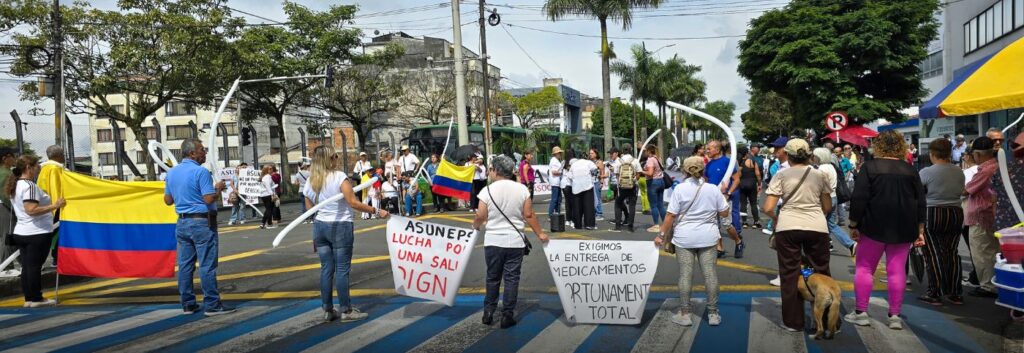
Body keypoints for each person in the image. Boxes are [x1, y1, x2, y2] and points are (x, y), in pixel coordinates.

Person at [844, 131, 926, 330]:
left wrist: (854, 225)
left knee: (864, 268)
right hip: (904, 227)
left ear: (878, 146)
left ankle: (861, 312)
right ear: (900, 147)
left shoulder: (870, 167)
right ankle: (895, 316)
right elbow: (921, 202)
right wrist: (920, 229)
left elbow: (859, 198)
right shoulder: (910, 169)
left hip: (873, 225)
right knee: (896, 270)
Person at [303, 145, 389, 322]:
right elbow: (353, 202)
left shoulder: (311, 180)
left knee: (326, 268)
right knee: (342, 269)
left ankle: (327, 309)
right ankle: (346, 310)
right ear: (330, 159)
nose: (337, 159)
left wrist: (320, 218)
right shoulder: (339, 177)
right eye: (335, 156)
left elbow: (309, 207)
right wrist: (376, 210)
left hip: (320, 227)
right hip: (341, 225)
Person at [762, 138, 832, 333]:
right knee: (818, 271)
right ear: (809, 155)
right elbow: (827, 206)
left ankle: (794, 322)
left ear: (789, 155)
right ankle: (825, 320)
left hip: (788, 227)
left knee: (790, 273)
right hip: (816, 227)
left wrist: (776, 218)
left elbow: (767, 207)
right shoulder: (820, 175)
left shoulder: (781, 174)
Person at [473, 155, 550, 329]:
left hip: (493, 241)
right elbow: (529, 215)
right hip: (515, 242)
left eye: (490, 169)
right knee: (511, 279)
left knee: (492, 278)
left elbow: (480, 215)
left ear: (495, 170)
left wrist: (475, 226)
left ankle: (489, 312)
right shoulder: (522, 189)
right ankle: (507, 315)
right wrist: (540, 234)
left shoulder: (487, 190)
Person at [163, 139, 234, 316]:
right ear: (192, 153)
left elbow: (168, 200)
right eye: (202, 150)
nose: (205, 153)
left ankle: (187, 303)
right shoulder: (201, 172)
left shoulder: (172, 173)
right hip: (201, 222)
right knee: (207, 265)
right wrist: (218, 189)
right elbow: (208, 199)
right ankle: (212, 304)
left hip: (182, 222)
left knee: (185, 265)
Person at [655, 156, 726, 327]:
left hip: (684, 237)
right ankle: (713, 313)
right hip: (708, 236)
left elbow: (671, 215)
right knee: (710, 274)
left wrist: (661, 234)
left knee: (685, 274)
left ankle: (685, 313)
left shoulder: (679, 189)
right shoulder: (713, 189)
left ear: (684, 170)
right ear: (703, 170)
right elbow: (724, 212)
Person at [6, 155, 64, 307]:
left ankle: (29, 298)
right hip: (36, 232)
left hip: (22, 231)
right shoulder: (29, 186)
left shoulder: (16, 185)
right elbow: (31, 209)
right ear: (28, 168)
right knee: (34, 267)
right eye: (37, 165)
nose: (39, 168)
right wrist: (55, 205)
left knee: (27, 266)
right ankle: (37, 298)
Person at [917, 138, 966, 305]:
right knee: (951, 252)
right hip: (955, 212)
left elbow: (917, 193)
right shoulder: (958, 171)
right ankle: (955, 292)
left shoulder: (927, 172)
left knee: (933, 253)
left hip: (934, 212)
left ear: (932, 154)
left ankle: (935, 292)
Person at [963, 136, 1000, 298]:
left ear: (978, 154)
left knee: (982, 252)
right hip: (991, 215)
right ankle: (994, 283)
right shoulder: (997, 166)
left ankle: (988, 286)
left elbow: (967, 190)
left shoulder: (985, 170)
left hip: (980, 216)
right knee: (992, 252)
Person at [704, 141, 745, 258]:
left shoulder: (727, 162)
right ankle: (719, 248)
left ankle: (738, 241)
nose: (707, 151)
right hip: (711, 199)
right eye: (707, 149)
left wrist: (728, 193)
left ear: (717, 150)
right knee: (714, 225)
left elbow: (737, 179)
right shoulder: (708, 164)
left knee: (726, 224)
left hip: (724, 197)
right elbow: (706, 181)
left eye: (709, 149)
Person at [812, 148, 856, 255]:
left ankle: (819, 246)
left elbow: (819, 186)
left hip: (825, 199)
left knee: (818, 223)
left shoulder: (821, 169)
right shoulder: (831, 166)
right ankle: (849, 244)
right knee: (831, 224)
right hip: (834, 197)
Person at [37, 145, 66, 267]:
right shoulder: (55, 169)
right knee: (57, 233)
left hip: (46, 205)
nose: (64, 157)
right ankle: (57, 258)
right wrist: (57, 205)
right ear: (58, 156)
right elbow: (56, 188)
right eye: (63, 154)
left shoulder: (44, 168)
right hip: (56, 205)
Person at [613, 147, 641, 232]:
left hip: (621, 187)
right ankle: (630, 226)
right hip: (632, 186)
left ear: (622, 152)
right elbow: (639, 173)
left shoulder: (619, 161)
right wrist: (634, 180)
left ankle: (618, 226)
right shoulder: (635, 160)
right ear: (631, 151)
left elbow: (617, 174)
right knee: (632, 206)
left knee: (618, 204)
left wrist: (620, 182)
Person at [570, 149, 599, 230]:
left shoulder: (574, 164)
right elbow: (595, 171)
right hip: (587, 186)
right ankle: (589, 224)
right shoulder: (589, 163)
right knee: (588, 206)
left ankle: (577, 225)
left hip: (576, 187)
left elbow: (570, 176)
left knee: (577, 207)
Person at [643, 145, 667, 232]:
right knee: (660, 204)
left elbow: (650, 173)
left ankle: (656, 225)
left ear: (649, 151)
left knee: (653, 205)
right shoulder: (658, 158)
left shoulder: (650, 160)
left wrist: (641, 171)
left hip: (653, 182)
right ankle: (665, 224)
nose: (645, 152)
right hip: (661, 181)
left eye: (646, 151)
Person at [737, 146, 762, 229]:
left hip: (742, 184)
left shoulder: (739, 162)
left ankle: (744, 222)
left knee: (743, 203)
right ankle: (756, 222)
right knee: (753, 203)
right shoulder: (752, 161)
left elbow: (738, 175)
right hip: (752, 184)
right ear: (746, 153)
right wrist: (759, 184)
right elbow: (758, 174)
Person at [589, 148, 607, 221]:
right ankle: (594, 213)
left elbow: (602, 172)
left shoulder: (599, 162)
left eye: (592, 153)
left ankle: (599, 213)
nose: (590, 155)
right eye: (590, 153)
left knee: (597, 198)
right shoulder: (589, 162)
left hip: (596, 182)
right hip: (590, 182)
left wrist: (601, 182)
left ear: (596, 154)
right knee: (592, 199)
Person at [258, 165, 278, 229]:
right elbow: (268, 187)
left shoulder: (264, 177)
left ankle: (267, 223)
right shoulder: (267, 177)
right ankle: (264, 223)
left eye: (271, 168)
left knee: (268, 209)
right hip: (268, 194)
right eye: (270, 168)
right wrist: (272, 194)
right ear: (267, 170)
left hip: (264, 194)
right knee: (269, 209)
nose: (272, 169)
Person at [548, 147, 565, 216]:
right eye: (559, 153)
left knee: (559, 199)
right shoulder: (554, 161)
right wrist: (562, 172)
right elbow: (554, 172)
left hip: (557, 182)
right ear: (556, 153)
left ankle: (557, 213)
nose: (560, 154)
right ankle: (551, 214)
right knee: (555, 199)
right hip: (555, 182)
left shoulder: (556, 160)